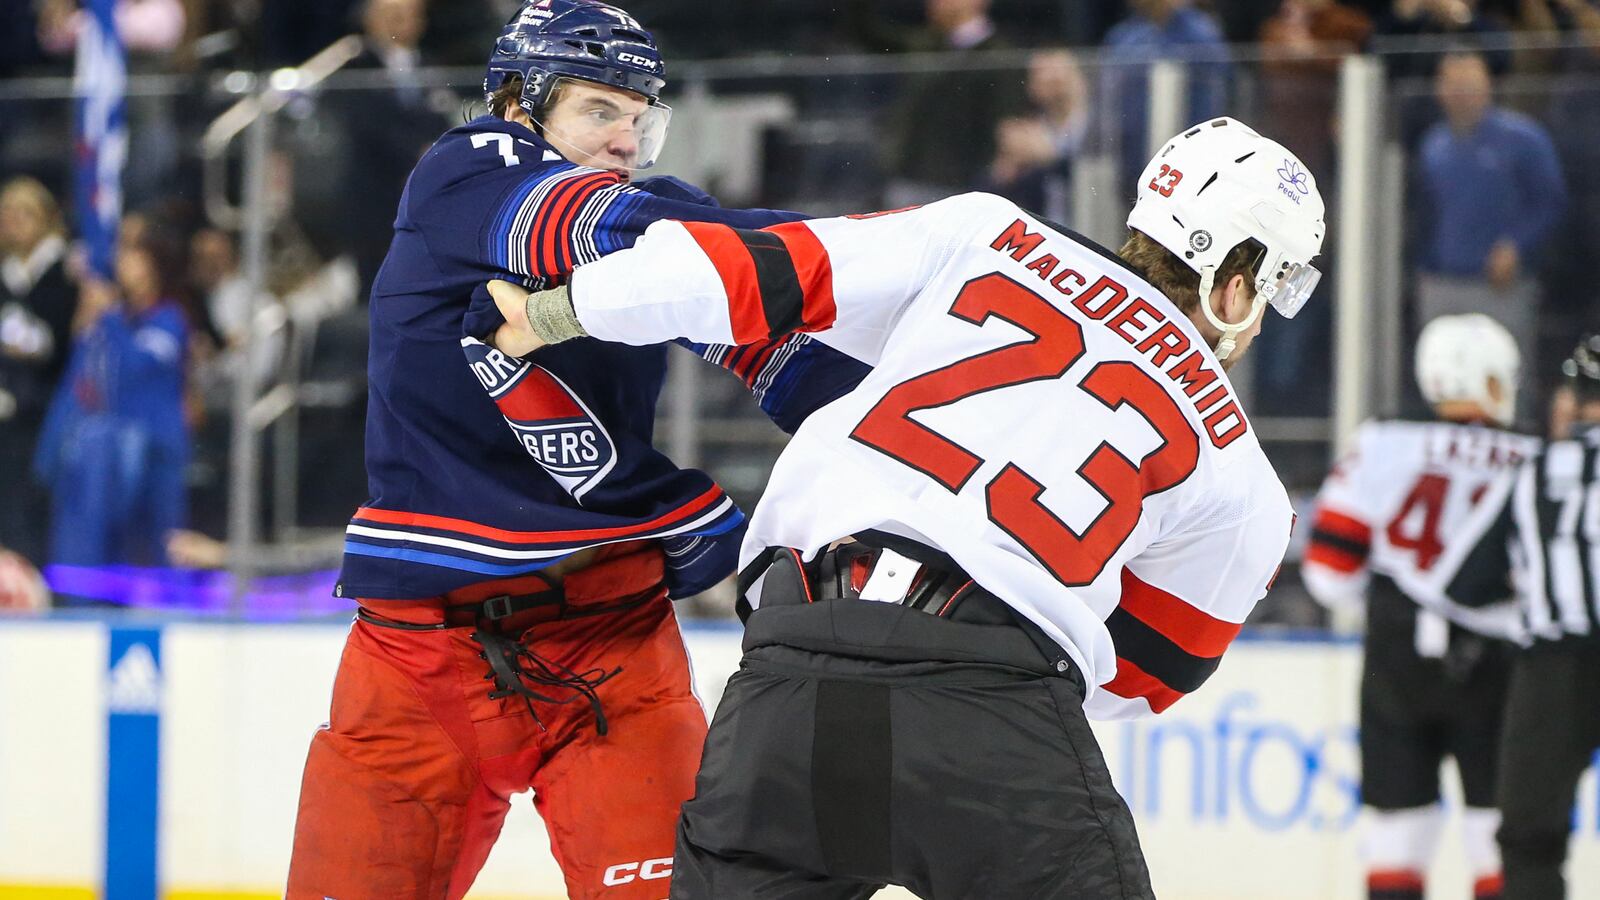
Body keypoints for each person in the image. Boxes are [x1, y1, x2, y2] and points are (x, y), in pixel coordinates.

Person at [488, 116, 1325, 898]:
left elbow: (752, 269)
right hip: (995, 714)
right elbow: (1147, 677)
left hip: (790, 673)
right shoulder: (1241, 476)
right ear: (1237, 281)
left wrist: (558, 312)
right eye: (1277, 285)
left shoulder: (987, 233)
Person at [284, 3, 867, 898]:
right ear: (519, 102)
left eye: (643, 119)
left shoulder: (661, 241)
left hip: (615, 640)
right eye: (602, 109)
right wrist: (883, 250)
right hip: (419, 663)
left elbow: (791, 364)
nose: (629, 139)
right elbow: (598, 227)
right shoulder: (468, 168)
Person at [1303, 314, 1538, 900]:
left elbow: (1330, 572)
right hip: (1501, 663)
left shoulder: (1382, 442)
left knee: (1395, 835)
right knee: (1498, 836)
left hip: (1397, 656)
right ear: (1484, 379)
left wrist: (1392, 608)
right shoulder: (1533, 455)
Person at [1410, 334, 1600, 900]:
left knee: (1529, 839)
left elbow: (1463, 583)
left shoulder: (1537, 470)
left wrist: (1532, 585)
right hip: (1551, 661)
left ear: (1572, 397)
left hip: (1551, 669)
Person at [33, 231, 189, 568]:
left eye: (132, 256)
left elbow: (137, 365)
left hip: (159, 451)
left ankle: (171, 607)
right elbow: (81, 384)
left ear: (152, 266)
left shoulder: (168, 319)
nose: (122, 265)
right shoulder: (109, 322)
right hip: (115, 453)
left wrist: (108, 315)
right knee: (105, 542)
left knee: (162, 543)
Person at [1413, 51, 1566, 391]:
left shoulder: (1523, 139)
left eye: (1469, 84)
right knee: (1441, 376)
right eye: (1452, 85)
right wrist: (1424, 263)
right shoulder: (1433, 145)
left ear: (1487, 88)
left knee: (1504, 376)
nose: (1460, 93)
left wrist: (1516, 244)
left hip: (1499, 284)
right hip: (1442, 281)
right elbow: (1423, 211)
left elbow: (1550, 201)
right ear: (1440, 91)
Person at [844, 0, 1029, 206]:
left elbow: (1008, 121)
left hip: (966, 186)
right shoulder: (924, 44)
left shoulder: (1002, 56)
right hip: (910, 177)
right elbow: (865, 33)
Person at [0, 177, 75, 566]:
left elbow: (56, 340)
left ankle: (40, 573)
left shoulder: (64, 271)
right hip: (9, 399)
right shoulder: (6, 273)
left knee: (38, 492)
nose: (13, 224)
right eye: (7, 215)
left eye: (24, 215)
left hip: (50, 400)